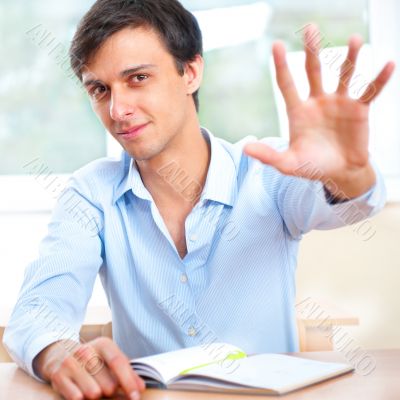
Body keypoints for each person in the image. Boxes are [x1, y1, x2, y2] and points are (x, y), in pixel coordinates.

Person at [3, 0, 395, 399]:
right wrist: (57, 352)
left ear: (190, 72)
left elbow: (355, 203)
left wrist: (347, 173)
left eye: (137, 78)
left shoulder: (268, 170)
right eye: (99, 89)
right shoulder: (90, 194)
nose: (118, 110)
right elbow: (38, 309)